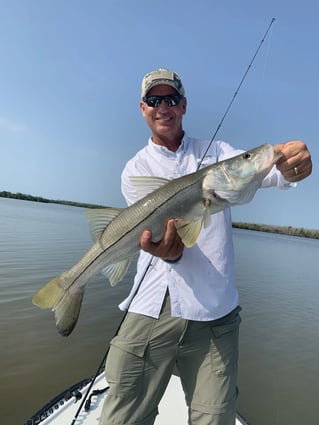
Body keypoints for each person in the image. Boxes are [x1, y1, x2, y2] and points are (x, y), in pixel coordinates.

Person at [99, 68, 312, 425]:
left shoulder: (218, 153)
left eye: (170, 99)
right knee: (121, 417)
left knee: (215, 419)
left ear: (183, 105)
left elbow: (266, 169)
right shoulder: (134, 170)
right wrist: (173, 252)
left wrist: (292, 164)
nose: (162, 107)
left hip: (216, 313)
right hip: (151, 305)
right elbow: (164, 245)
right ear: (142, 108)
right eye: (154, 100)